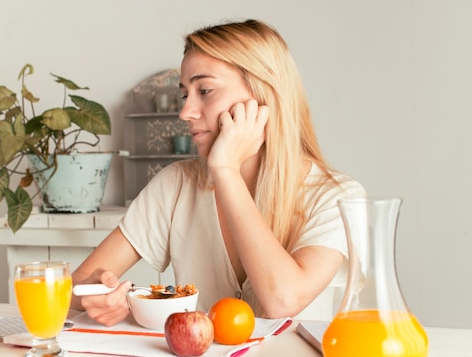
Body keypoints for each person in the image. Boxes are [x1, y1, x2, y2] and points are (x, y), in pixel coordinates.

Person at [71, 19, 365, 326]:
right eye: (185, 94)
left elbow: (283, 301)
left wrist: (226, 169)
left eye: (206, 90)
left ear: (264, 95)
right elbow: (73, 289)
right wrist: (98, 297)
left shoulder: (337, 197)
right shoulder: (175, 185)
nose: (185, 112)